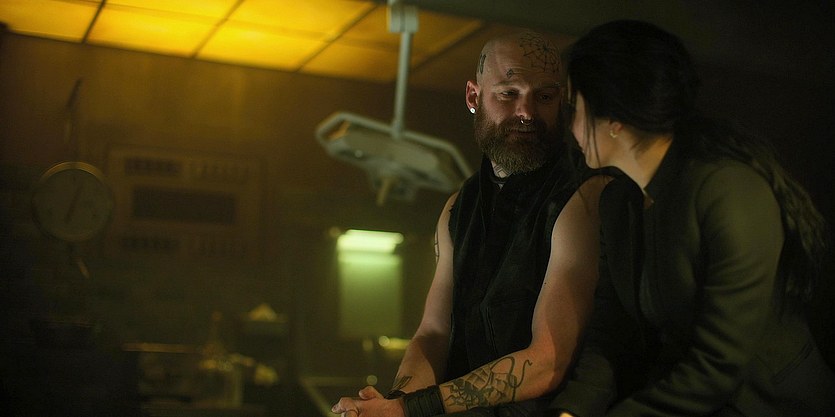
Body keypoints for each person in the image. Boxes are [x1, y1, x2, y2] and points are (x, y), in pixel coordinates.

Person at [549, 19, 835, 417]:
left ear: (614, 118)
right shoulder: (618, 204)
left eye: (574, 107)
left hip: (768, 404)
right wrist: (571, 411)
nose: (569, 125)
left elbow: (718, 365)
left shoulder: (728, 190)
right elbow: (612, 332)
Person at [331, 31, 610, 417]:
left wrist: (411, 409)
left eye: (544, 97)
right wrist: (393, 403)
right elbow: (433, 334)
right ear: (473, 97)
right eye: (509, 94)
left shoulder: (581, 194)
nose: (527, 112)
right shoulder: (457, 207)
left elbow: (548, 359)